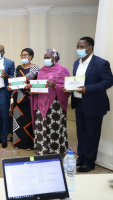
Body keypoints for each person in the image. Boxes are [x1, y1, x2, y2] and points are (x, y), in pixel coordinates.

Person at [64, 37, 113, 172]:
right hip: (79, 103)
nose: (78, 50)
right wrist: (69, 87)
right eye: (77, 47)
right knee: (81, 132)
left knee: (92, 133)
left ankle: (90, 161)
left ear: (89, 48)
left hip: (94, 104)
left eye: (81, 47)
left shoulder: (101, 63)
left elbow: (108, 82)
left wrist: (87, 89)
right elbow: (76, 82)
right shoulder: (76, 63)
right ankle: (82, 156)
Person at [31, 49, 70, 155]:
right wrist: (33, 90)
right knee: (42, 126)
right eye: (45, 58)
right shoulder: (42, 70)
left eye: (48, 57)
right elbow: (39, 85)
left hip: (55, 105)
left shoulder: (63, 70)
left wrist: (55, 86)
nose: (46, 60)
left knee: (54, 127)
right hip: (41, 103)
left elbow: (69, 87)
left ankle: (55, 150)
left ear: (55, 58)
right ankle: (43, 149)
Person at [7, 48, 40, 151]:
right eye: (22, 55)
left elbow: (38, 83)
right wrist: (10, 87)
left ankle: (29, 144)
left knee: (28, 122)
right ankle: (17, 143)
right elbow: (16, 82)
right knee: (17, 121)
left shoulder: (36, 68)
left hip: (29, 97)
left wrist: (30, 86)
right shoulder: (18, 67)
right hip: (18, 98)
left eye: (25, 55)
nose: (23, 57)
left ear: (31, 56)